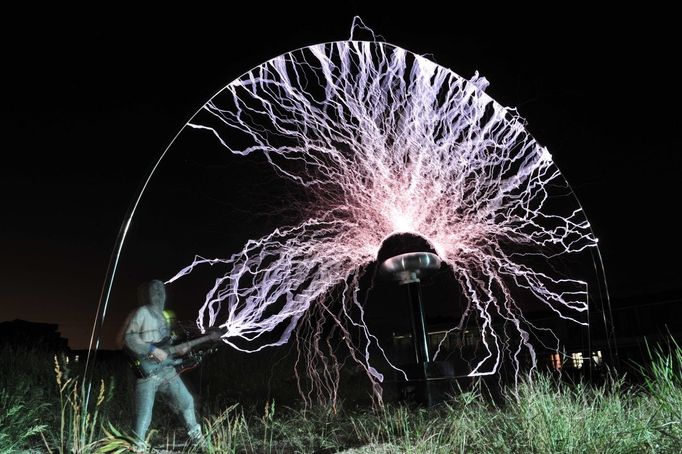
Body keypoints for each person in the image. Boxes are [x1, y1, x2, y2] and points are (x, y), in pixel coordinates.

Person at [122, 279, 203, 450]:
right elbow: (129, 338)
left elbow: (166, 345)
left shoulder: (165, 317)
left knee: (187, 401)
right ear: (147, 295)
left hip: (167, 370)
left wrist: (180, 348)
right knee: (144, 413)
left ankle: (197, 439)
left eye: (161, 291)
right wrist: (151, 349)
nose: (158, 294)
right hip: (147, 373)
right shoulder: (143, 312)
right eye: (154, 290)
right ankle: (137, 447)